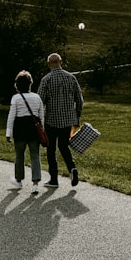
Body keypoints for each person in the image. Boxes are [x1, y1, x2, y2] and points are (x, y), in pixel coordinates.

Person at [37, 52, 84, 188]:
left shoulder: (46, 80)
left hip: (52, 120)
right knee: (64, 146)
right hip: (68, 120)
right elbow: (79, 100)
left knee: (51, 149)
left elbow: (40, 101)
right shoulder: (72, 78)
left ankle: (54, 179)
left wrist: (40, 119)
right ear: (61, 62)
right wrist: (77, 116)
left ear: (48, 64)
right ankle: (72, 169)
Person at [5, 70, 45, 194]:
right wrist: (42, 130)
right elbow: (41, 115)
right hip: (33, 129)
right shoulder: (36, 97)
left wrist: (8, 133)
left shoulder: (16, 98)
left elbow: (11, 116)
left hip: (20, 129)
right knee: (35, 156)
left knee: (19, 155)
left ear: (17, 85)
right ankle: (35, 184)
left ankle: (18, 180)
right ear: (30, 84)